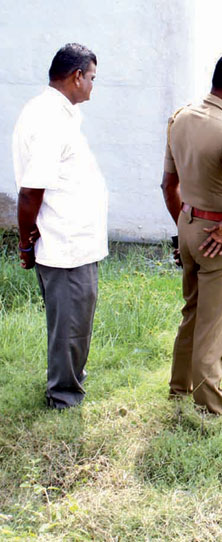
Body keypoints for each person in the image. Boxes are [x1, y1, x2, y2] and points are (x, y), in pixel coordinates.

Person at [160, 55, 222, 415]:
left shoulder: (180, 117)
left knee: (193, 311)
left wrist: (184, 225)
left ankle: (179, 389)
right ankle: (211, 407)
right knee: (214, 324)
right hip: (218, 234)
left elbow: (169, 184)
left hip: (187, 224)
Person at [13, 43, 107, 409]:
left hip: (75, 241)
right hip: (65, 245)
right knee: (69, 326)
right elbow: (30, 191)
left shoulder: (57, 113)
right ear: (76, 76)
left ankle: (71, 379)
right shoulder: (49, 118)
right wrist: (24, 242)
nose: (93, 86)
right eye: (92, 78)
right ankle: (63, 396)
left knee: (75, 322)